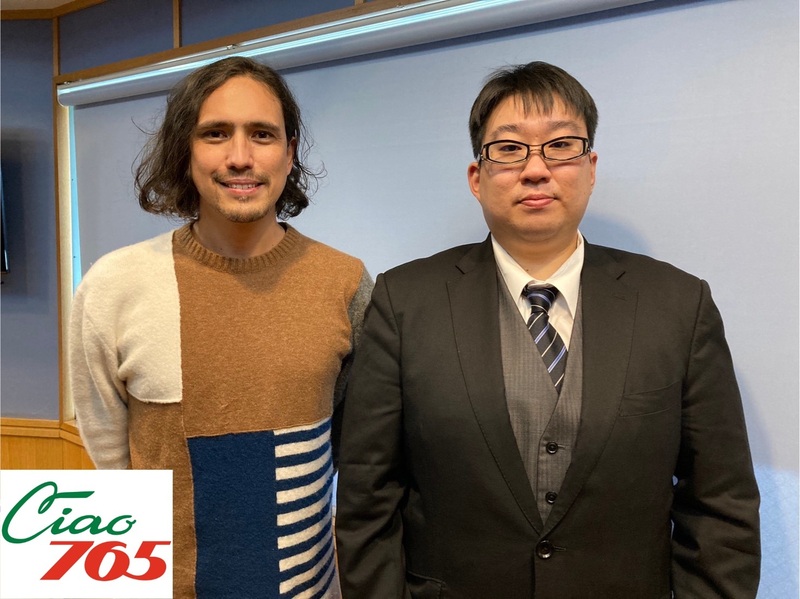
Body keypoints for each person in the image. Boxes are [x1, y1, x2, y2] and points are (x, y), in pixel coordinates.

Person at [335, 61, 760, 598]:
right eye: (509, 149)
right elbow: (368, 499)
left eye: (560, 146)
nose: (536, 169)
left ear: (591, 168)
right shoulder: (404, 301)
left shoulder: (678, 304)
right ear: (477, 177)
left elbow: (720, 502)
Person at [69, 56, 372, 598]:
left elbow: (356, 450)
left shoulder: (344, 282)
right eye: (215, 133)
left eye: (262, 134)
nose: (239, 157)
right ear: (185, 150)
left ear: (289, 152)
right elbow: (112, 464)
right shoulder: (115, 285)